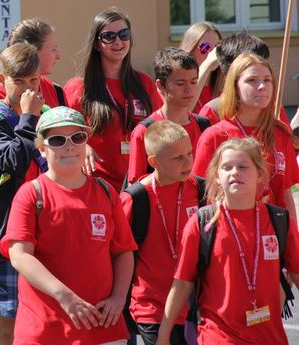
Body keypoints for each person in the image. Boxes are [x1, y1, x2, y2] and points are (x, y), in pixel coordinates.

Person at [1, 106, 136, 344]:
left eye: (77, 137)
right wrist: (65, 297)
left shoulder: (106, 192)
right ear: (42, 149)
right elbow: (20, 255)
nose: (69, 145)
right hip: (45, 330)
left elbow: (123, 251)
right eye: (57, 140)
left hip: (102, 327)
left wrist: (118, 298)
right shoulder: (31, 193)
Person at [156, 138, 299, 345]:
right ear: (216, 175)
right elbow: (182, 284)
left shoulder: (280, 221)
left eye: (243, 167)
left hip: (270, 338)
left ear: (259, 174)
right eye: (227, 167)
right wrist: (163, 335)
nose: (235, 172)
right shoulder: (201, 223)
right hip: (218, 337)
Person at [0, 42, 46, 345]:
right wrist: (28, 119)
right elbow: (13, 161)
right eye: (19, 81)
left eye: (33, 80)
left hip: (41, 230)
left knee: (39, 315)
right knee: (7, 317)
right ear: (2, 80)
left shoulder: (42, 117)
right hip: (6, 233)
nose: (27, 89)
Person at [192, 52, 299, 221]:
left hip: (273, 234)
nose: (262, 86)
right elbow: (200, 193)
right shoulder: (214, 136)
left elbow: (286, 195)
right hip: (229, 232)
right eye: (252, 80)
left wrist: (294, 239)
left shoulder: (280, 133)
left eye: (267, 80)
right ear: (235, 87)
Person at [64, 7, 162, 191]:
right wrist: (82, 145)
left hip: (139, 185)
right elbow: (62, 132)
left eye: (124, 34)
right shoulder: (78, 87)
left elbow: (160, 129)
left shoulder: (143, 83)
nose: (118, 41)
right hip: (97, 185)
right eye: (109, 36)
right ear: (96, 44)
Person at [121, 121, 200, 345]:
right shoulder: (135, 198)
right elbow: (116, 253)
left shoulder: (200, 190)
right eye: (177, 158)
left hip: (195, 306)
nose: (188, 161)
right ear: (154, 162)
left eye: (189, 153)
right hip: (151, 308)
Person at [0, 18, 65, 152]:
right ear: (30, 52)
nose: (59, 56)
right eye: (53, 49)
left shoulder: (56, 90)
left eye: (33, 80)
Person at [127, 48, 207, 184]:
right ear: (160, 85)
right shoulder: (145, 130)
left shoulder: (203, 125)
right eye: (180, 83)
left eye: (193, 82)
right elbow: (135, 185)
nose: (188, 89)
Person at [178, 22, 222, 112]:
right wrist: (206, 66)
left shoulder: (224, 85)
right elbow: (184, 112)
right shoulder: (176, 84)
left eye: (217, 47)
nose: (213, 53)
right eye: (205, 47)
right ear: (190, 49)